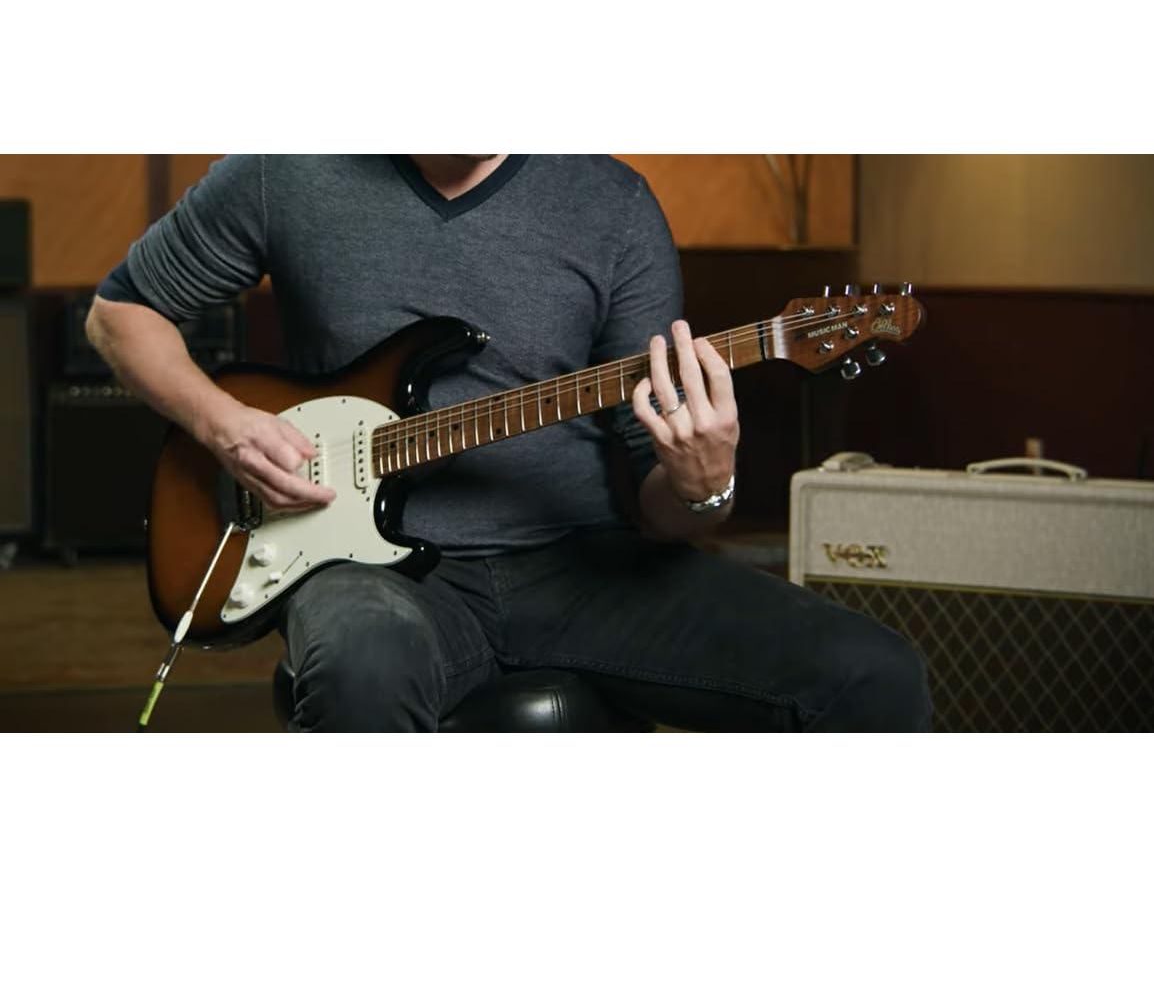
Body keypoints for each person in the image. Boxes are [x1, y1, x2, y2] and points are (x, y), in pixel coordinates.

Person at [87, 154, 931, 732]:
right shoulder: (287, 172)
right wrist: (222, 423)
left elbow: (663, 507)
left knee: (874, 673)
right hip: (367, 573)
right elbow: (119, 314)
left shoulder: (612, 205)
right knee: (362, 665)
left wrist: (701, 481)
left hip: (583, 567)